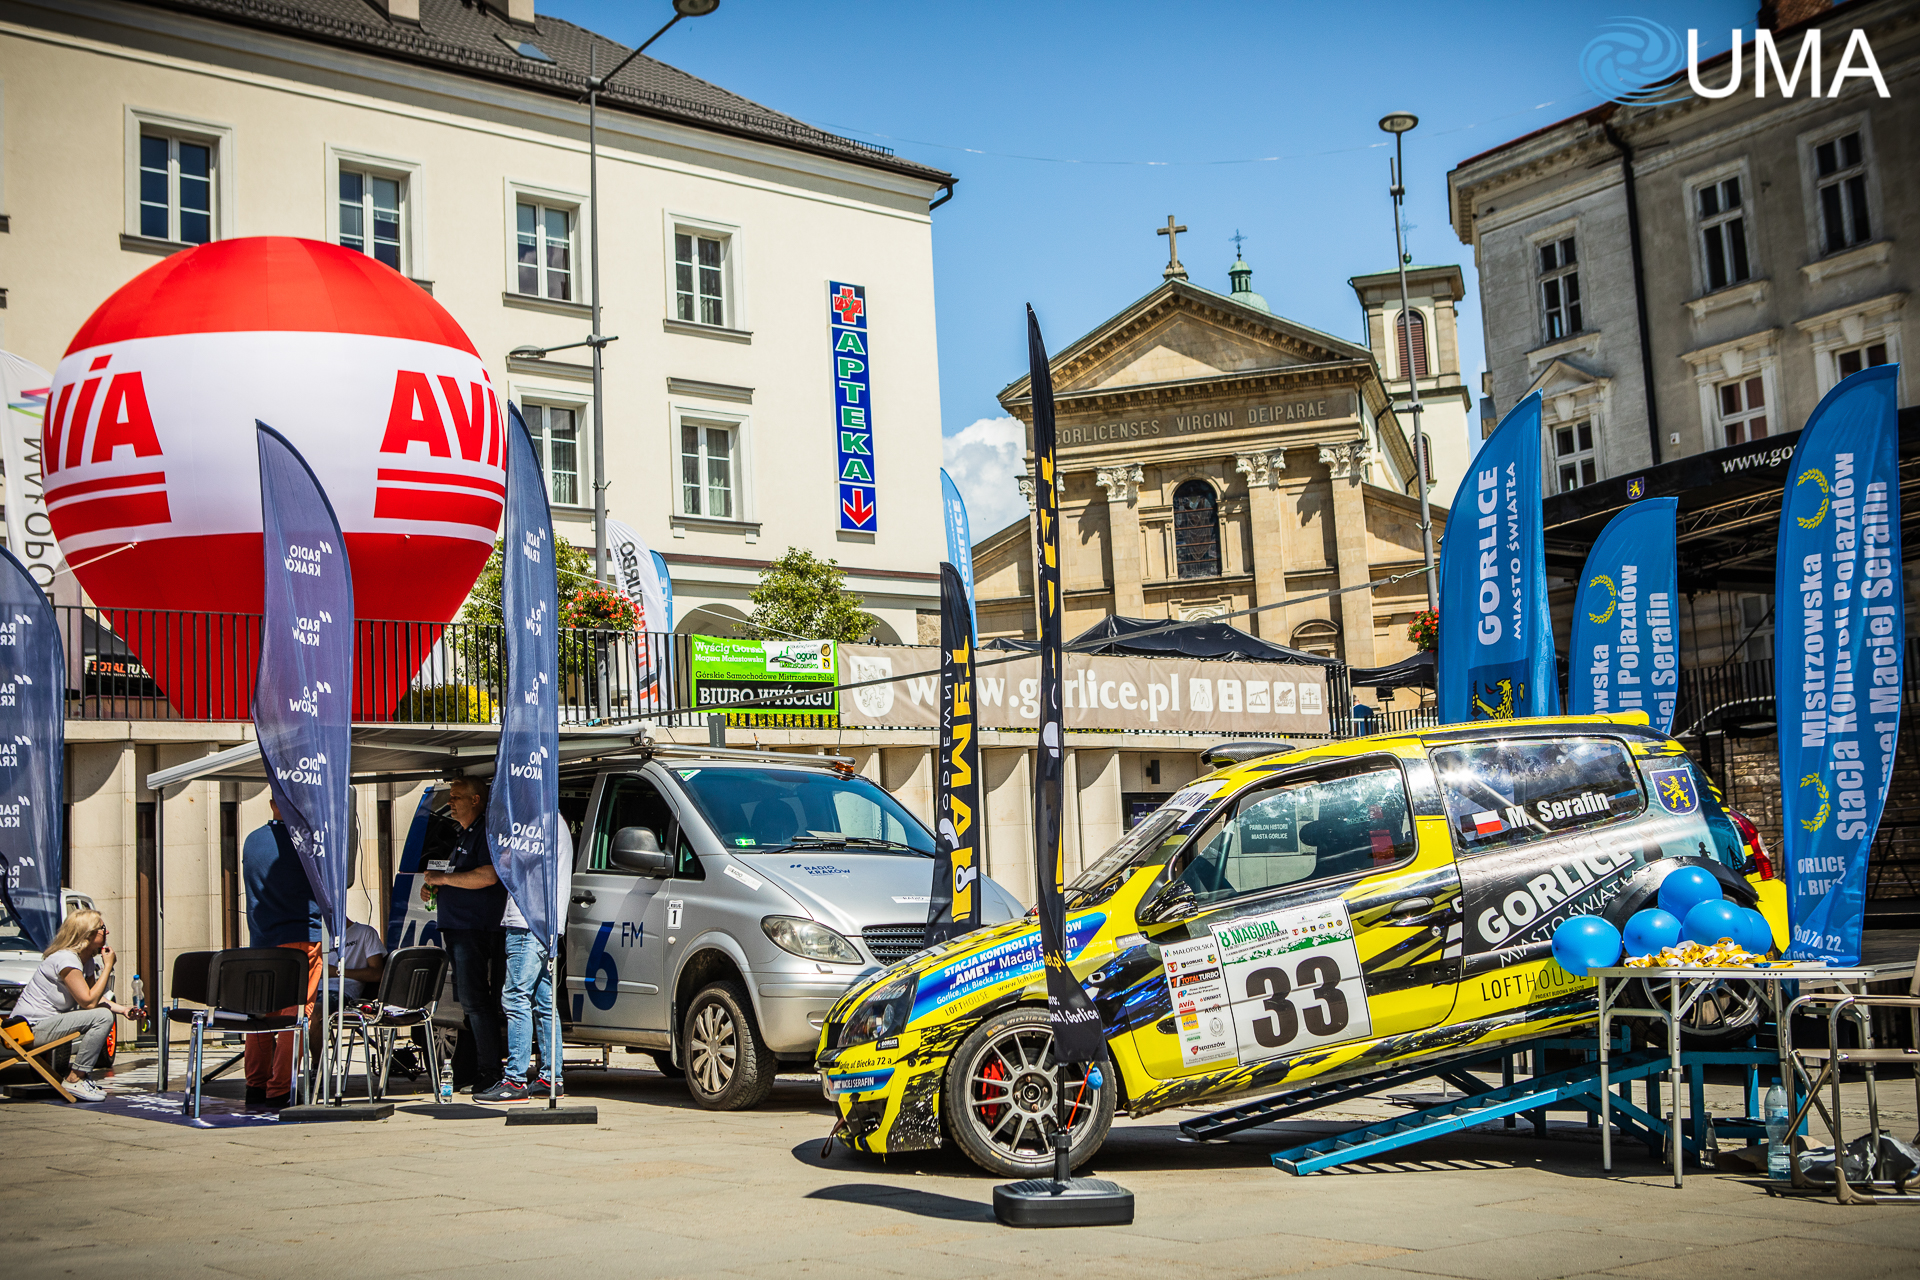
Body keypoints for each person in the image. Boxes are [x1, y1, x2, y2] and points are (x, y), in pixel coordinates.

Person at [421, 778, 507, 1093]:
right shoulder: (462, 835)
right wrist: (435, 885)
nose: (451, 802)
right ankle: (470, 1068)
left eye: (456, 797)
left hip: (476, 928)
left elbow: (488, 875)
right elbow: (455, 878)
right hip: (460, 927)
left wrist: (444, 878)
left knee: (477, 1001)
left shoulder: (485, 832)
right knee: (470, 1004)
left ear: (475, 799)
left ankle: (489, 1071)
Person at [480, 823, 572, 1105]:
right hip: (546, 923)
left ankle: (515, 1080)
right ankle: (550, 1077)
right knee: (544, 1001)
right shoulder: (554, 821)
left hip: (526, 921)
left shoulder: (533, 823)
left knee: (515, 996)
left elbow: (507, 862)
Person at [242, 801, 323, 1108]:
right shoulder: (309, 841)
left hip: (261, 941)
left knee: (261, 1014)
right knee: (295, 1015)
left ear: (272, 804)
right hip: (302, 939)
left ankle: (256, 1084)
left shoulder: (252, 839)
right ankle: (280, 1089)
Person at [9, 909, 135, 1102]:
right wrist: (108, 966)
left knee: (104, 1014)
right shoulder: (66, 959)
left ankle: (79, 1077)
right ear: (88, 933)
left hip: (47, 1024)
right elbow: (88, 1002)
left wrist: (124, 1010)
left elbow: (96, 998)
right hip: (28, 1028)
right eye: (103, 928)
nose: (107, 932)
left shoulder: (86, 961)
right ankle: (75, 1078)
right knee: (103, 1017)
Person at [323, 917, 388, 1003]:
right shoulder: (320, 936)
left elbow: (377, 974)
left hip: (342, 991)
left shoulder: (365, 932)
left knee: (317, 1009)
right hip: (316, 989)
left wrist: (336, 972)